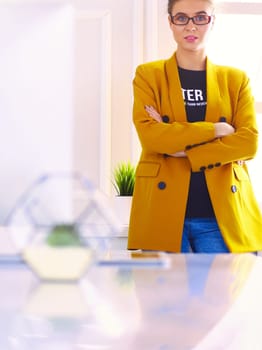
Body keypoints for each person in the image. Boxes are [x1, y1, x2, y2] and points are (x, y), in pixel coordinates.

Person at [127, 0, 262, 253]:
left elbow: (248, 142)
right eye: (181, 18)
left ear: (212, 21)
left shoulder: (235, 80)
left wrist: (184, 150)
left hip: (221, 213)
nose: (191, 26)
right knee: (164, 293)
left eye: (200, 17)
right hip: (162, 209)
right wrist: (217, 131)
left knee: (222, 292)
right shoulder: (148, 75)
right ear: (170, 22)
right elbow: (152, 139)